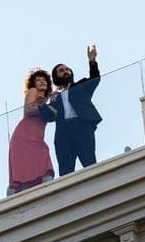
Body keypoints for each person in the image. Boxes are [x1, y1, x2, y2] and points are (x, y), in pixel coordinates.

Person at [39, 45, 102, 176]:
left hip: (82, 127)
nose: (66, 71)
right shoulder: (55, 97)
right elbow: (49, 116)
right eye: (61, 70)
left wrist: (92, 60)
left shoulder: (80, 86)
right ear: (56, 77)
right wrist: (44, 100)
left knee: (90, 164)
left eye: (67, 69)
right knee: (65, 171)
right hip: (63, 133)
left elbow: (95, 79)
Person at [8, 68, 56, 195]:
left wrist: (50, 103)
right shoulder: (33, 91)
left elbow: (54, 116)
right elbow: (28, 110)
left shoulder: (46, 100)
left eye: (44, 79)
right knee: (27, 171)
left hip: (37, 139)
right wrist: (45, 107)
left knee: (42, 162)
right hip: (23, 137)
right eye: (38, 80)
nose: (41, 81)